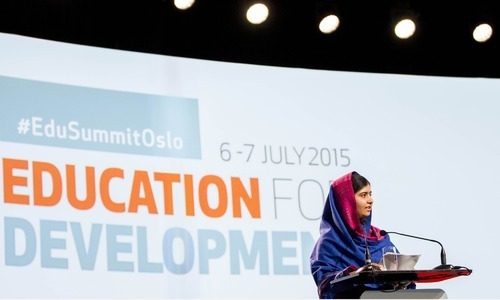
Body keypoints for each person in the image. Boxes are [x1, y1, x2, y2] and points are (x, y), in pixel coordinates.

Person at [310, 171, 413, 298]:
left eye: (370, 194)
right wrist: (355, 274)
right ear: (346, 202)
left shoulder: (379, 237)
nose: (370, 200)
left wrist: (403, 279)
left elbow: (404, 276)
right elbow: (325, 286)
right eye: (363, 195)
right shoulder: (329, 243)